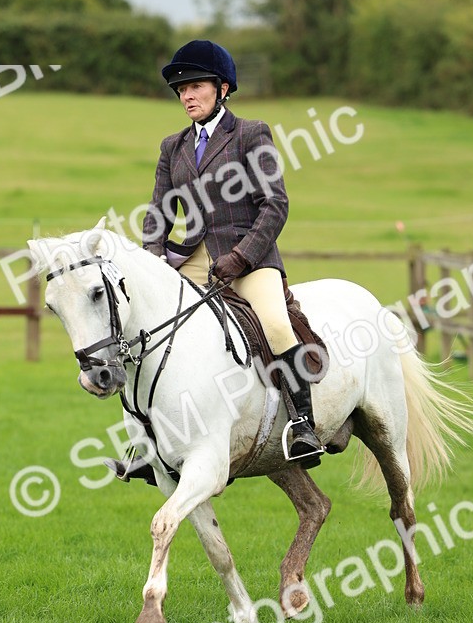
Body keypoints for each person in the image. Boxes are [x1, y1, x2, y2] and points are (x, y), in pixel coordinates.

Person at [110, 39, 325, 486]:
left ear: (222, 88)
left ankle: (303, 425)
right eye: (181, 90)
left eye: (195, 87)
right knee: (143, 322)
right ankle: (147, 443)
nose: (186, 96)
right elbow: (158, 214)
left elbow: (275, 205)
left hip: (250, 258)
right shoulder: (173, 147)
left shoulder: (251, 134)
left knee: (275, 323)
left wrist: (242, 256)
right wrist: (153, 262)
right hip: (193, 258)